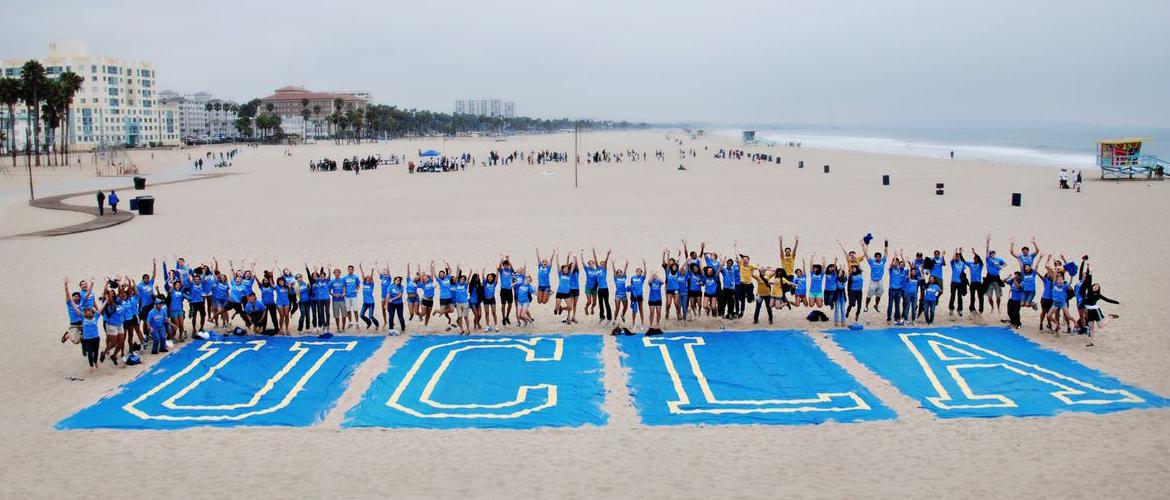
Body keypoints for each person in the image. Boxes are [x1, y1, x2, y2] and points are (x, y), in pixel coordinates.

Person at [66, 278, 105, 371]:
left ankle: (85, 350)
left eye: (85, 284)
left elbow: (93, 301)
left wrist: (96, 309)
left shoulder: (91, 294)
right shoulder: (82, 295)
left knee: (86, 336)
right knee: (78, 340)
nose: (84, 285)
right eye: (82, 284)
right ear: (80, 286)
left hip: (88, 316)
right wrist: (92, 284)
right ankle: (70, 335)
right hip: (81, 318)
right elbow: (86, 296)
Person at [862, 239, 888, 313]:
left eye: (879, 257)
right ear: (875, 257)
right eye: (876, 257)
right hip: (873, 281)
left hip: (880, 280)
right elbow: (866, 254)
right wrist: (864, 246)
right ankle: (866, 306)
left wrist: (886, 245)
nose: (878, 258)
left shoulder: (883, 261)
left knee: (880, 293)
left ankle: (876, 305)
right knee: (870, 293)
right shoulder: (872, 262)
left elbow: (886, 253)